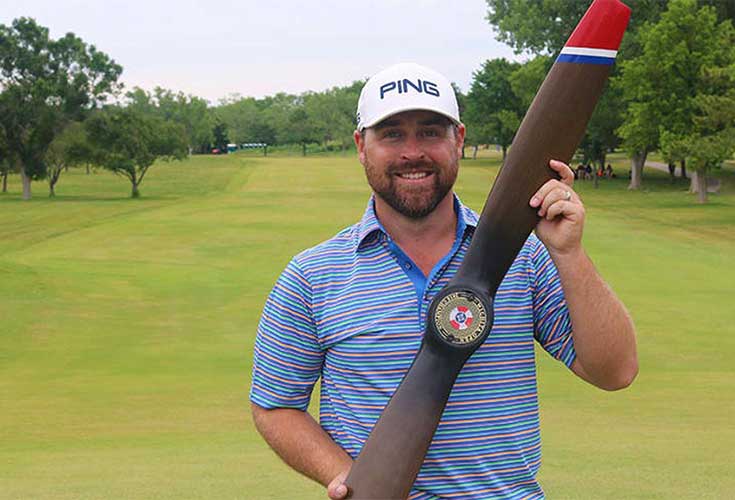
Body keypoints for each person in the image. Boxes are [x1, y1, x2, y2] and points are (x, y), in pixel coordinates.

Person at [249, 62, 638, 499]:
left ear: (459, 139)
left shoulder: (526, 255)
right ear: (361, 145)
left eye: (431, 131)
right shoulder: (312, 276)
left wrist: (569, 252)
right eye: (391, 133)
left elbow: (615, 371)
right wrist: (348, 477)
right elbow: (275, 405)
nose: (412, 151)